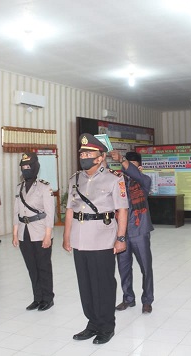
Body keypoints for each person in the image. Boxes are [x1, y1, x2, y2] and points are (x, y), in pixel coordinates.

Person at [63, 133, 128, 345]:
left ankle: (106, 326)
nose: (84, 156)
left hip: (103, 239)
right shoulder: (75, 179)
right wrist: (66, 236)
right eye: (82, 153)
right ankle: (92, 323)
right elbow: (71, 210)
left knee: (104, 285)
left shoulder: (114, 179)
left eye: (89, 153)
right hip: (79, 239)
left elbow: (122, 210)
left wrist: (121, 238)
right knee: (86, 285)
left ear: (100, 157)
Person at [109, 151, 154, 314]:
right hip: (121, 232)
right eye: (125, 166)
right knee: (123, 267)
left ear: (139, 168)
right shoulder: (118, 183)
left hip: (139, 231)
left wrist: (123, 161)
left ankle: (147, 300)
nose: (127, 170)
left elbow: (134, 173)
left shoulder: (144, 181)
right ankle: (128, 298)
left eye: (131, 166)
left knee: (146, 267)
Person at [12, 153, 55, 312]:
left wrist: (48, 235)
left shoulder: (44, 186)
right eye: (23, 167)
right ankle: (37, 298)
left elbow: (50, 213)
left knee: (43, 266)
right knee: (32, 267)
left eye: (28, 166)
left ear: (35, 167)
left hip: (40, 230)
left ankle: (48, 298)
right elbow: (16, 211)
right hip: (24, 231)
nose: (25, 169)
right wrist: (15, 233)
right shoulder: (19, 187)